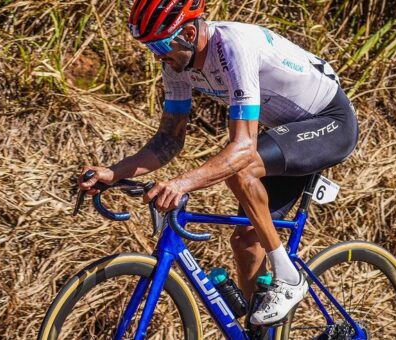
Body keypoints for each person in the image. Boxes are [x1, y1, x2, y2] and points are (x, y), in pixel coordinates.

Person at [78, 0, 358, 326]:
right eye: (149, 46)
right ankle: (259, 334)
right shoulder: (175, 64)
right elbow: (169, 140)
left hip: (330, 122)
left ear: (189, 32)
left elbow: (242, 148)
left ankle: (289, 277)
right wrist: (115, 173)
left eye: (160, 44)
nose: (156, 54)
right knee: (245, 242)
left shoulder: (233, 47)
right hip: (286, 133)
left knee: (241, 167)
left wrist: (182, 183)